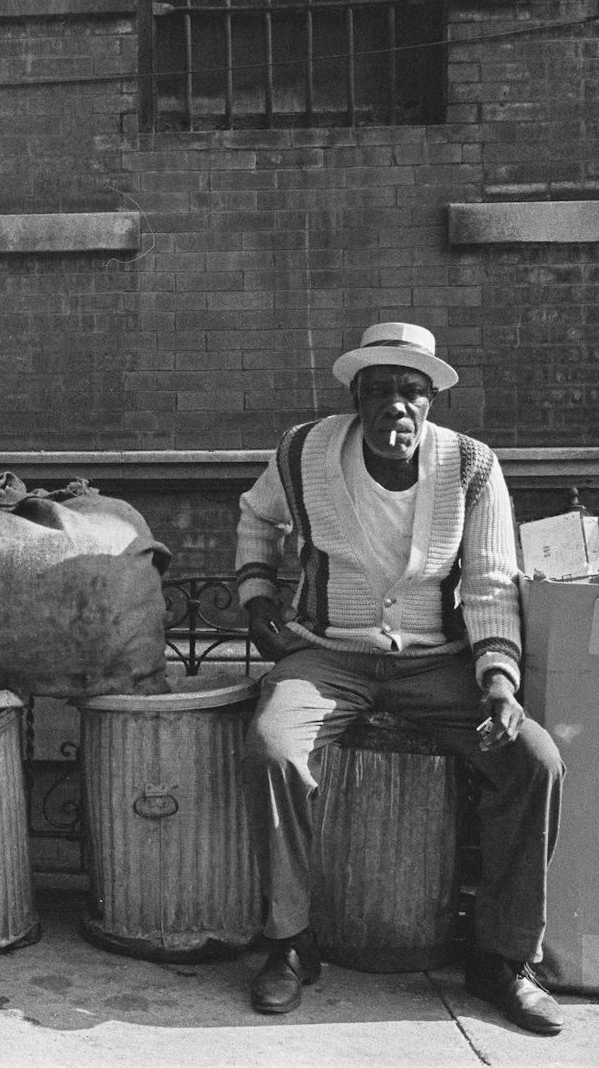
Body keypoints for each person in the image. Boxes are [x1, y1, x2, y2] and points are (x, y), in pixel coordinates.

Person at [233, 322, 566, 1036]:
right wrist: (257, 595)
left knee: (531, 760)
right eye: (380, 392)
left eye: (411, 393)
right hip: (328, 658)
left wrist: (498, 681)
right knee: (274, 748)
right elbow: (256, 515)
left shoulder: (472, 467)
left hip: (437, 669)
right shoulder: (303, 452)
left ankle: (501, 959)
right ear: (357, 398)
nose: (396, 408)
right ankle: (290, 944)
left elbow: (488, 579)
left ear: (431, 404)